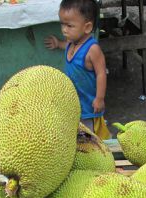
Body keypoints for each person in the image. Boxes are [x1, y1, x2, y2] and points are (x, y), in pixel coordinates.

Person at [44, 0, 111, 139]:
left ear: (87, 27)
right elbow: (66, 46)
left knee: (89, 137)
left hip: (88, 105)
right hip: (74, 101)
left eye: (69, 26)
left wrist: (99, 98)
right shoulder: (71, 42)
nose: (64, 29)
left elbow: (101, 74)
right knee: (75, 130)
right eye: (62, 24)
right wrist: (58, 43)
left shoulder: (93, 49)